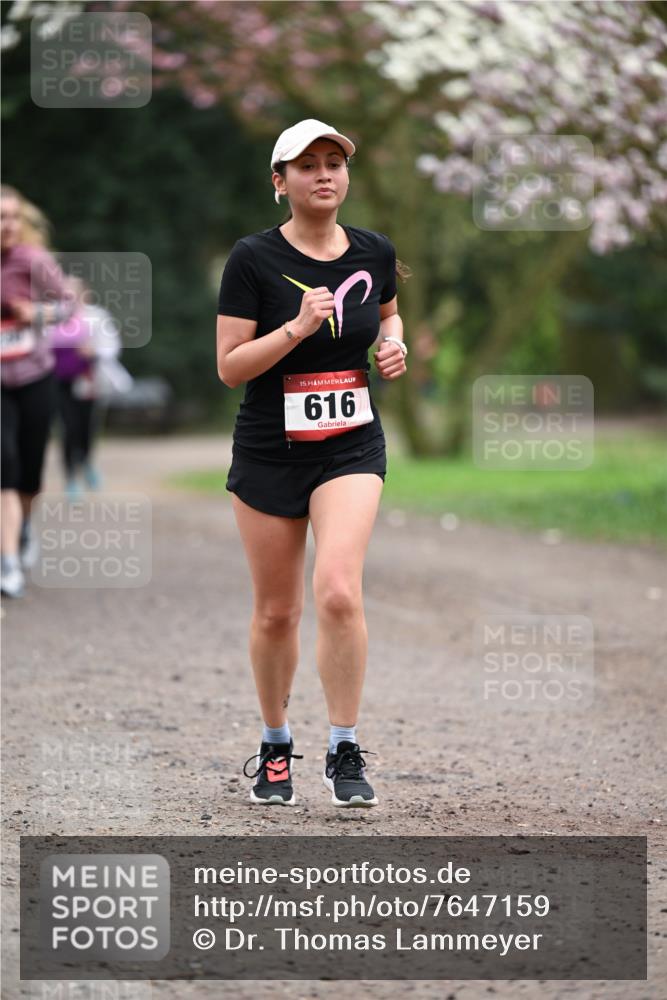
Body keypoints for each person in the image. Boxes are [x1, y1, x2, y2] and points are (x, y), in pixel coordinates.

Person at [217, 120, 408, 808]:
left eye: (334, 163)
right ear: (280, 182)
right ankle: (274, 745)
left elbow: (387, 317)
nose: (323, 174)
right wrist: (294, 328)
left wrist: (395, 346)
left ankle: (343, 747)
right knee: (276, 612)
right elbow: (230, 367)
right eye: (307, 166)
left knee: (337, 591)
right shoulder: (251, 259)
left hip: (350, 445)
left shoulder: (374, 250)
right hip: (269, 449)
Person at [1, 185, 75, 597]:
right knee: (4, 464)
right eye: (0, 218)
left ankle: (25, 527)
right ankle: (7, 561)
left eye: (13, 217)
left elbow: (68, 306)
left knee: (29, 470)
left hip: (34, 376)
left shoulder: (34, 262)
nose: (8, 225)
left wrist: (37, 313)